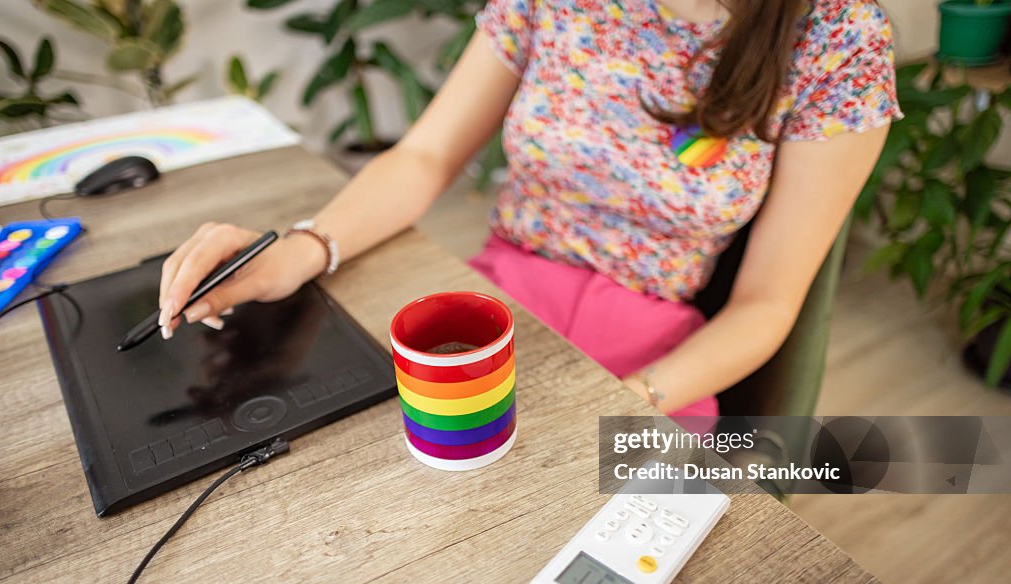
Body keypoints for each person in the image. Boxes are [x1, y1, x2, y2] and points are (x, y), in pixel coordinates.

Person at [156, 0, 900, 416]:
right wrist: (301, 249)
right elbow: (426, 155)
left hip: (657, 361)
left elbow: (768, 303)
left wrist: (632, 402)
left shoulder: (837, 37)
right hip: (493, 307)